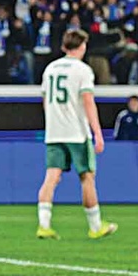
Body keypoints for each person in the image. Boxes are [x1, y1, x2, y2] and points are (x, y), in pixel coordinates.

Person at [36, 29, 118, 241]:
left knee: (51, 177)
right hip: (76, 133)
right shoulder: (82, 70)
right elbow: (88, 102)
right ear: (82, 46)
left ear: (65, 46)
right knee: (87, 177)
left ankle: (44, 225)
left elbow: (45, 102)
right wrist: (98, 133)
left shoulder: (50, 69)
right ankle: (95, 226)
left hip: (54, 132)